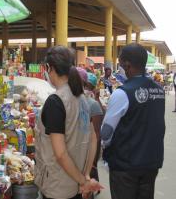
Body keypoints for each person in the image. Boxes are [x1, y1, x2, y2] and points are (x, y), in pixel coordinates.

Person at [35, 46, 103, 199]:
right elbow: (93, 139)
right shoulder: (83, 99)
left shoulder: (56, 101)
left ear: (49, 68)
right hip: (76, 184)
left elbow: (60, 153)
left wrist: (83, 181)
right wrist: (85, 175)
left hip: (58, 187)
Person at [101, 43, 165, 199]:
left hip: (126, 166)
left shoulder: (122, 93)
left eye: (120, 64)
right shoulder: (159, 90)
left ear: (127, 65)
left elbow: (106, 132)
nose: (119, 68)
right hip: (151, 162)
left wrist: (106, 152)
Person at [77, 68, 104, 198]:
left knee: (85, 190)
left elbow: (96, 136)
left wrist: (93, 162)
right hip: (76, 156)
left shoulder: (92, 104)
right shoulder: (66, 102)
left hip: (86, 155)